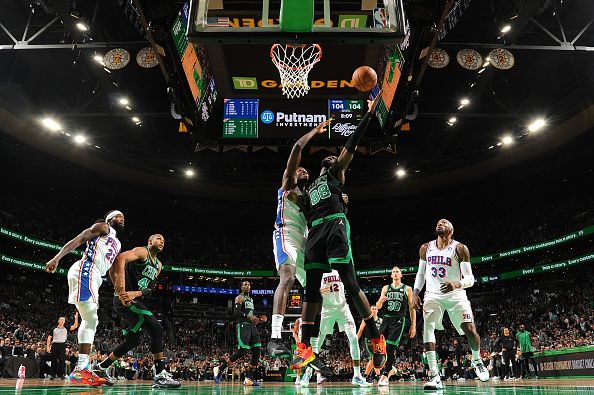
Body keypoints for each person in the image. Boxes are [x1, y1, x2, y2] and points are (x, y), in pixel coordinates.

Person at [291, 93, 386, 374]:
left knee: (351, 283)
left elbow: (350, 144)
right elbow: (290, 187)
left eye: (336, 157)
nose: (334, 156)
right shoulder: (306, 193)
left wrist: (368, 114)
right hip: (315, 233)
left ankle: (376, 338)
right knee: (310, 293)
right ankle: (304, 348)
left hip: (335, 225)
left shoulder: (333, 174)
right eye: (330, 156)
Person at [268, 119, 332, 358]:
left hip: (305, 241)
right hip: (285, 234)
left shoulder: (310, 198)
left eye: (306, 170)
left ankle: (307, 345)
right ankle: (275, 338)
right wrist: (315, 131)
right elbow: (297, 148)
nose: (303, 170)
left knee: (317, 290)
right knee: (287, 277)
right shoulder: (287, 186)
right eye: (299, 169)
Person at [45, 210, 125, 386]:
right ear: (109, 220)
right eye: (118, 216)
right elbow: (79, 239)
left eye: (123, 218)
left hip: (96, 277)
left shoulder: (117, 243)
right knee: (90, 319)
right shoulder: (102, 227)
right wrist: (56, 258)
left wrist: (119, 290)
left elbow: (112, 270)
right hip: (86, 269)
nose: (122, 219)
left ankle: (81, 368)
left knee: (91, 321)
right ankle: (80, 368)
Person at [412, 219, 489, 390]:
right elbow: (420, 273)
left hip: (456, 294)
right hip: (433, 295)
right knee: (428, 327)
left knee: (470, 329)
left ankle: (477, 359)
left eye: (444, 223)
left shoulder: (460, 248)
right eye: (438, 223)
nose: (440, 223)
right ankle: (434, 375)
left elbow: (470, 279)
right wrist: (415, 292)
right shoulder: (426, 247)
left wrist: (456, 284)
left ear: (451, 230)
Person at [96, 234, 181, 389]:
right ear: (150, 242)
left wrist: (136, 293)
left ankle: (101, 368)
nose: (162, 241)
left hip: (135, 300)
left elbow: (149, 290)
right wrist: (120, 288)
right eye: (158, 239)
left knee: (133, 341)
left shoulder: (159, 265)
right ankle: (160, 375)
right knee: (156, 328)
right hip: (126, 302)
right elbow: (120, 258)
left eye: (164, 240)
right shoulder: (142, 252)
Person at [300, 270, 370, 387]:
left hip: (342, 308)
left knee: (353, 338)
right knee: (318, 342)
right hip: (326, 309)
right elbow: (310, 290)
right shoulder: (319, 271)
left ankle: (357, 375)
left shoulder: (340, 269)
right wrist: (319, 291)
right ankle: (308, 373)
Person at [214, 281, 266, 386]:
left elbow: (250, 315)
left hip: (252, 326)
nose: (247, 286)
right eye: (245, 285)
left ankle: (249, 378)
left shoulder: (251, 299)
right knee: (242, 351)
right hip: (243, 325)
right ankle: (220, 369)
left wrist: (258, 319)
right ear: (241, 287)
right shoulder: (239, 298)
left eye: (248, 285)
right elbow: (236, 312)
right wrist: (249, 317)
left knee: (257, 351)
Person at [375, 266, 416, 386]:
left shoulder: (407, 289)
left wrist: (413, 325)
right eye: (393, 272)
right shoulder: (385, 288)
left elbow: (411, 308)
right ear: (391, 275)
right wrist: (380, 301)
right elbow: (378, 307)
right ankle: (390, 368)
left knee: (390, 348)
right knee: (379, 346)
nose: (395, 273)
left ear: (401, 275)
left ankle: (385, 374)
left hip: (398, 320)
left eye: (397, 271)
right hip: (386, 319)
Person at [46, 312, 79, 379]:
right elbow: (49, 338)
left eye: (63, 320)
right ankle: (53, 374)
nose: (61, 321)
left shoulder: (66, 328)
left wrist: (76, 318)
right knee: (53, 360)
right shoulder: (53, 328)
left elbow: (75, 326)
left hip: (62, 345)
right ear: (58, 321)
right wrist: (48, 347)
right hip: (54, 345)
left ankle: (60, 375)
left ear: (64, 322)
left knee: (62, 360)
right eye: (60, 320)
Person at [357, 305, 382, 383]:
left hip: (379, 342)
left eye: (375, 309)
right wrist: (355, 341)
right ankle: (378, 376)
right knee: (374, 358)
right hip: (369, 341)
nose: (374, 310)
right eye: (372, 309)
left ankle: (365, 376)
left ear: (377, 310)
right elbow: (360, 330)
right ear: (370, 310)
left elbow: (384, 332)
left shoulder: (381, 320)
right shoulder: (366, 319)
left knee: (375, 359)